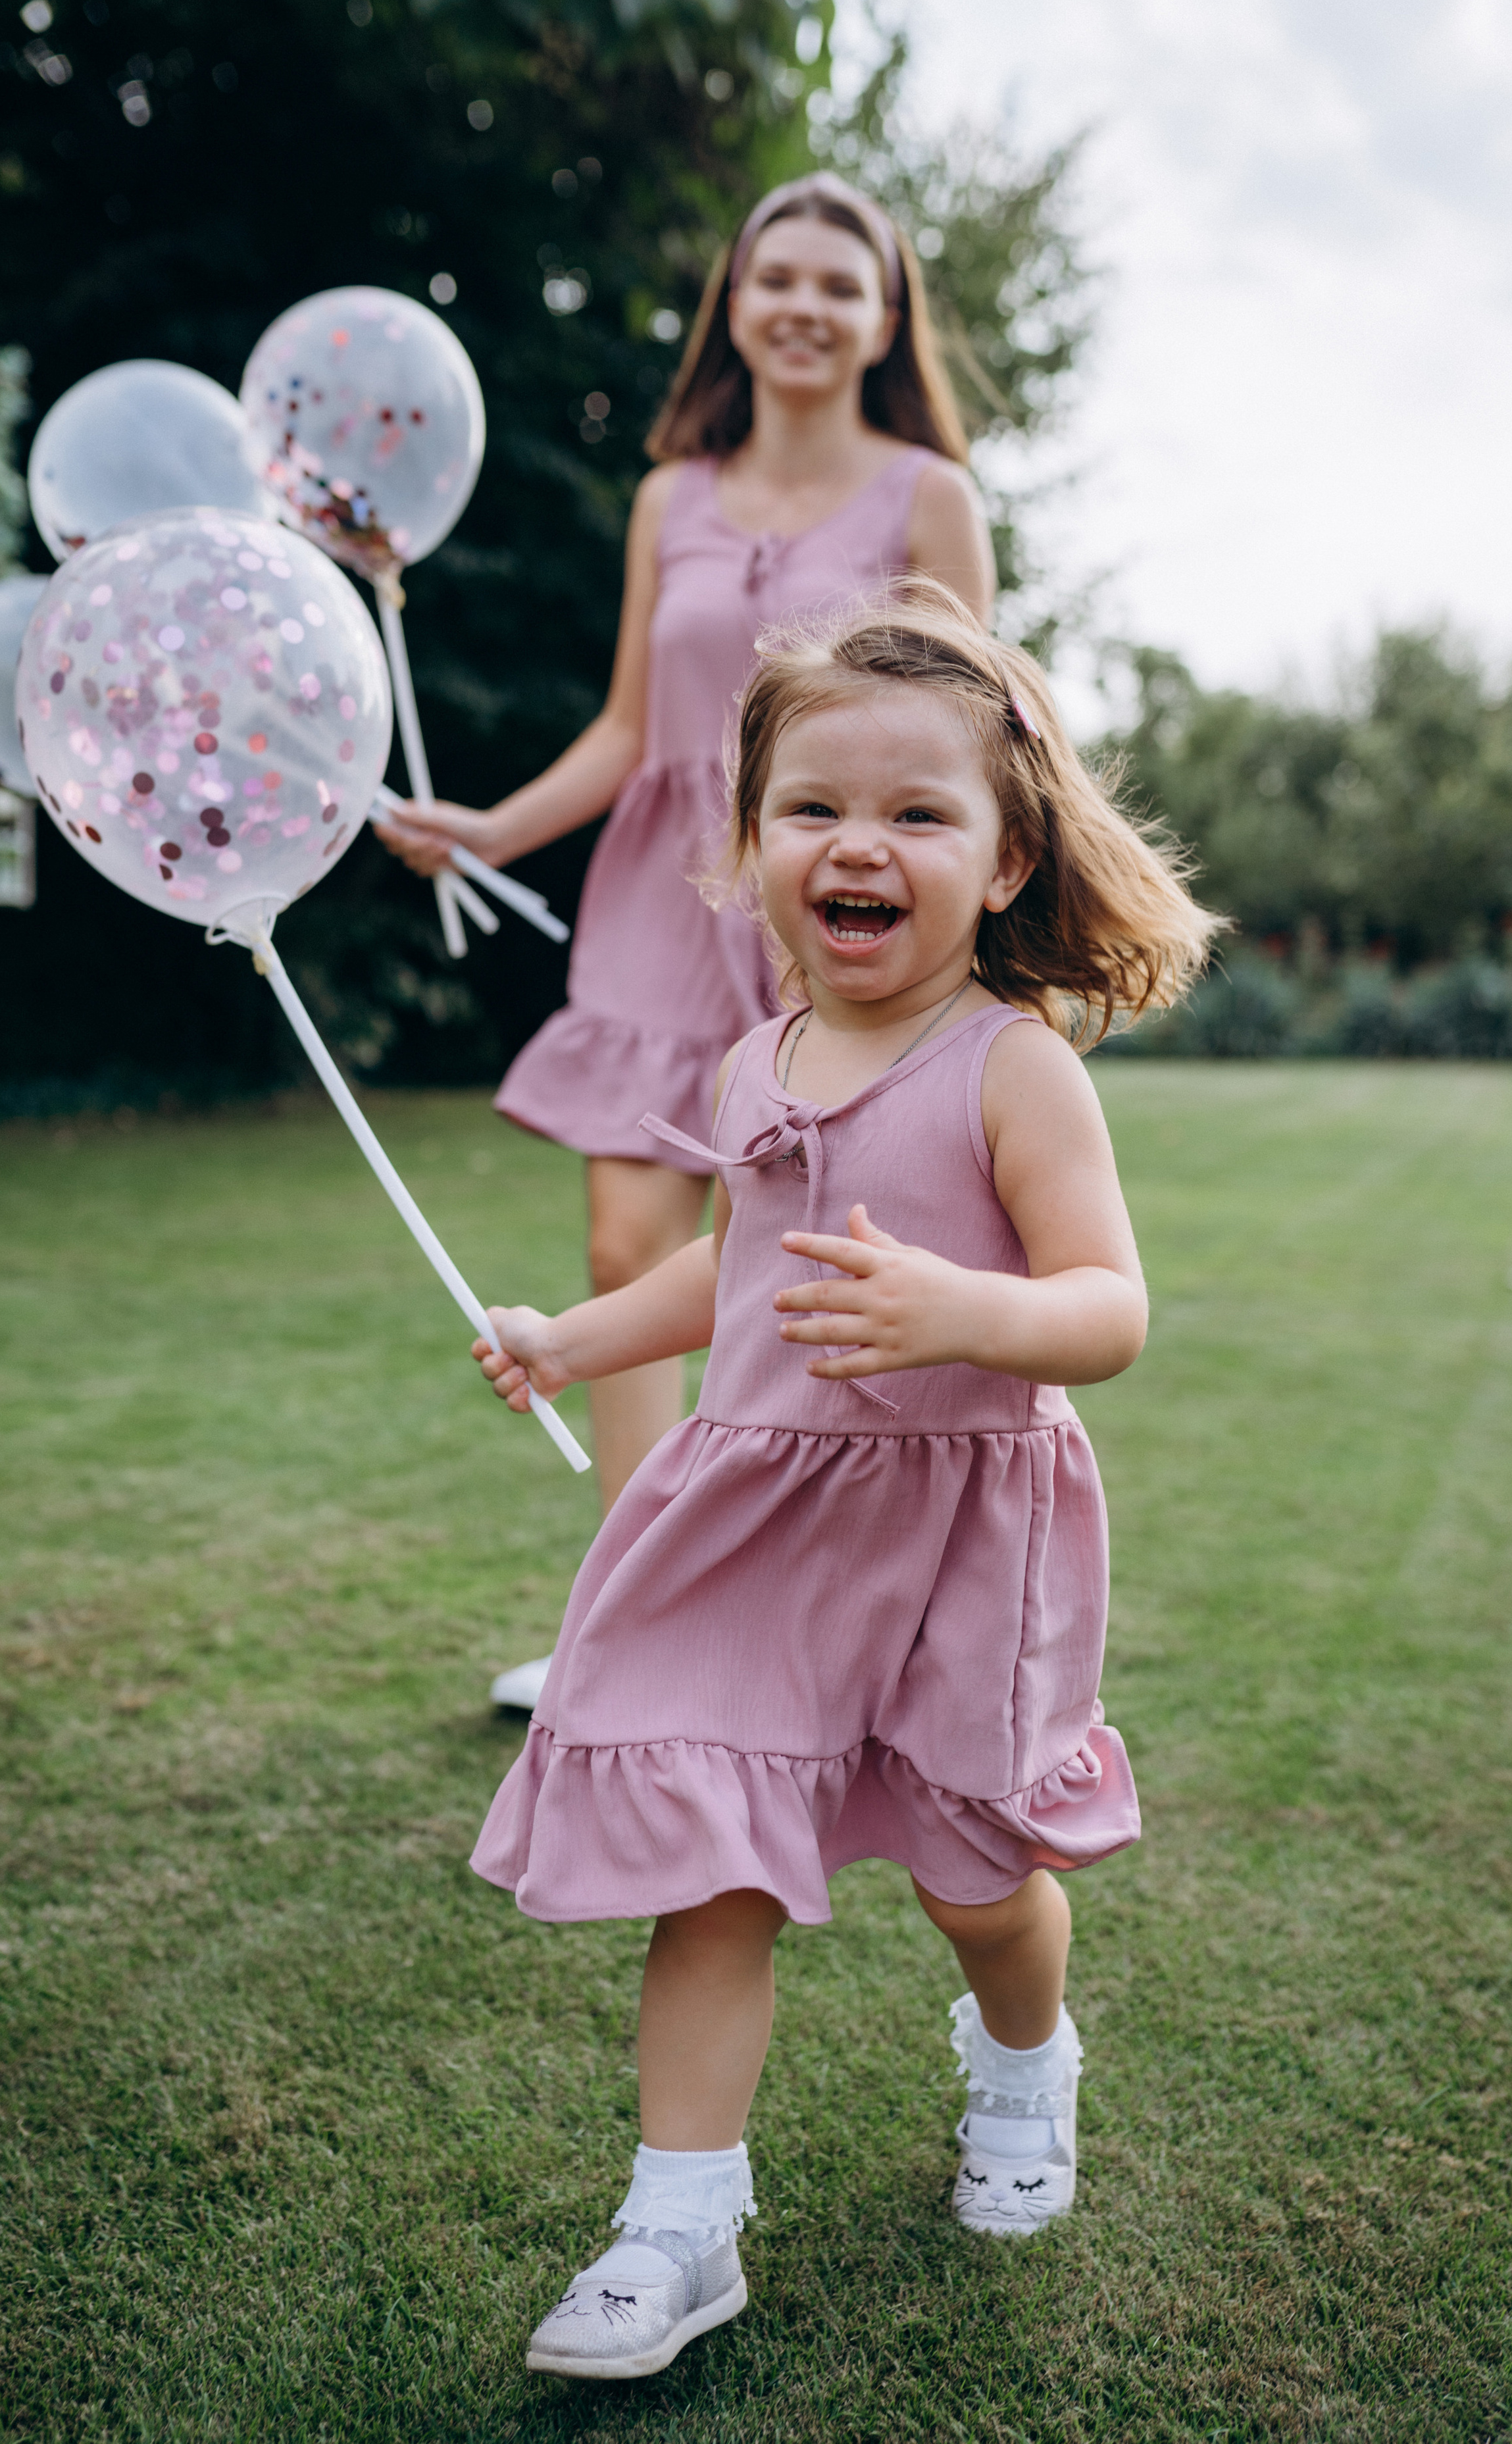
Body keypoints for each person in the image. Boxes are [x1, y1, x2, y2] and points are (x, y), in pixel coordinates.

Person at [464, 581, 1222, 2380]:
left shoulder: (1013, 1070)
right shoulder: (756, 1059)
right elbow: (735, 1263)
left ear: (1009, 855)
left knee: (979, 1873)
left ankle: (1025, 2063)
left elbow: (1108, 1308)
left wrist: (964, 1307)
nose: (856, 845)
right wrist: (578, 1337)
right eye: (813, 808)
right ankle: (677, 2224)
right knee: (710, 1861)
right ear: (746, 850)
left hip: (959, 1530)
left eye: (915, 812)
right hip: (754, 1523)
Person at [375, 175, 995, 1706]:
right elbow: (628, 726)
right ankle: (627, 1623)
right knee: (619, 1246)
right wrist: (490, 828)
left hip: (833, 897)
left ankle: (822, 1613)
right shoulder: (670, 496)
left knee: (807, 1259)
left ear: (881, 319)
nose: (801, 303)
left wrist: (986, 889)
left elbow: (986, 723)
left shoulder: (928, 494)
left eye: (836, 284)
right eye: (772, 275)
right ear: (732, 302)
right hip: (667, 887)